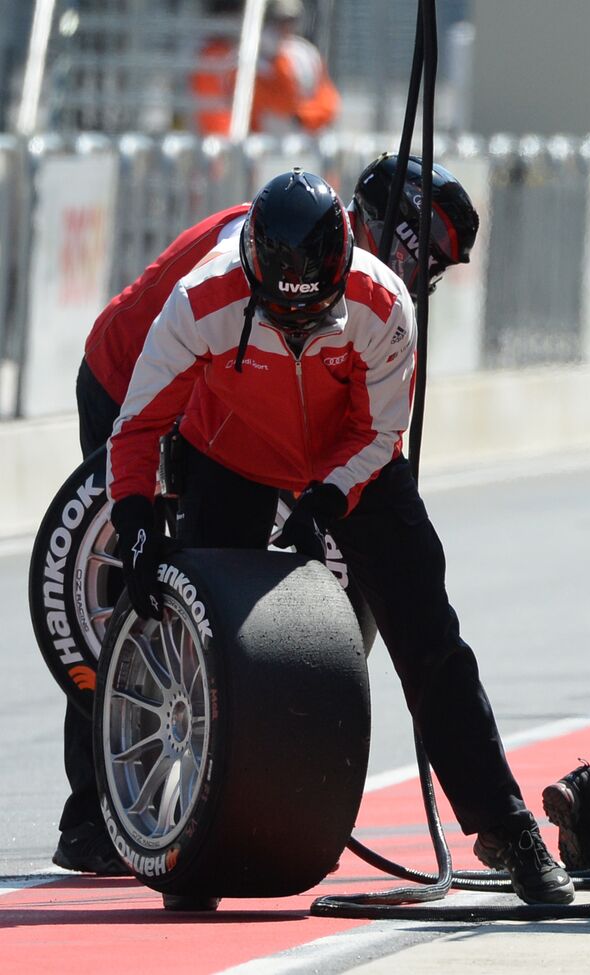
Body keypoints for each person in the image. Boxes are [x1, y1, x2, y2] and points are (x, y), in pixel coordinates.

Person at [52, 157, 481, 878]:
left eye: (430, 269)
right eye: (416, 255)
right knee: (147, 587)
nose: (418, 276)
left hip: (206, 388)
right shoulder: (248, 256)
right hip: (129, 382)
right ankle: (93, 814)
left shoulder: (347, 291)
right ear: (380, 226)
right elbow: (198, 389)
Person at [192, 0, 340, 136]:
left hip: (299, 142)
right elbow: (256, 102)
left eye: (289, 21)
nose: (284, 27)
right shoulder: (241, 59)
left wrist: (301, 118)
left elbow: (327, 102)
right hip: (259, 143)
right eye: (277, 21)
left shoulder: (305, 55)